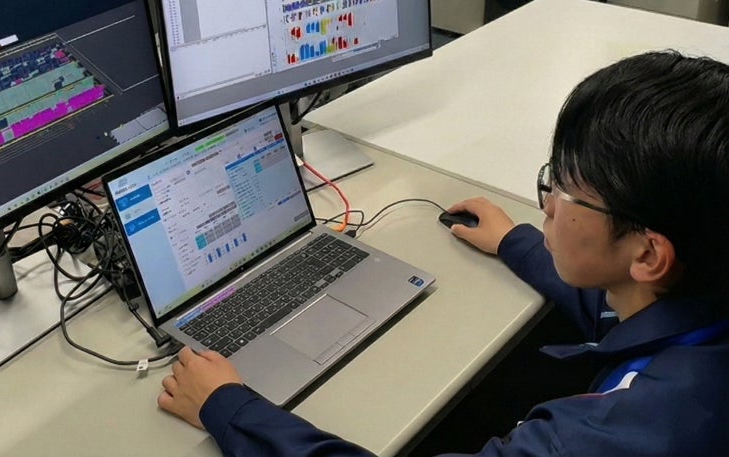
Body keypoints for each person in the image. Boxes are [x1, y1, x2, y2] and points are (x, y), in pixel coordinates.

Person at [156, 50, 729, 456]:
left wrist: (227, 405)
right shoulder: (699, 294)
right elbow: (617, 308)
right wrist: (515, 241)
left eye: (566, 189)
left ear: (649, 255)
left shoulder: (607, 435)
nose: (549, 203)